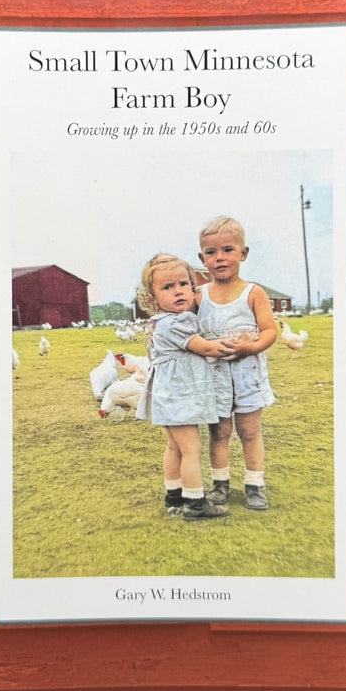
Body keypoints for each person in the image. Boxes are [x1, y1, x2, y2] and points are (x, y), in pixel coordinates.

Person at [136, 253, 236, 521]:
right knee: (191, 449)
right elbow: (205, 348)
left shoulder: (161, 323)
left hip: (168, 397)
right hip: (179, 397)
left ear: (193, 286)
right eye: (167, 288)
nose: (178, 291)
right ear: (153, 297)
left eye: (183, 284)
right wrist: (239, 343)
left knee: (174, 447)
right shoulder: (175, 323)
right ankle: (195, 503)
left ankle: (174, 496)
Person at [196, 216, 278, 510]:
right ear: (202, 258)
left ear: (243, 253)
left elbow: (270, 330)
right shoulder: (199, 295)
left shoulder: (253, 293)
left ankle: (255, 485)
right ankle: (219, 485)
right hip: (213, 376)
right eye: (211, 252)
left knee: (250, 431)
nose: (219, 258)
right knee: (218, 432)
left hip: (246, 375)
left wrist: (251, 347)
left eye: (228, 250)